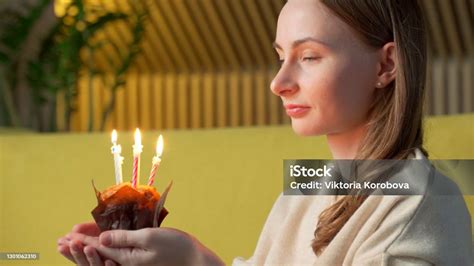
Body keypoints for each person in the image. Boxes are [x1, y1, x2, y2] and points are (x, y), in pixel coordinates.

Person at [57, 0, 472, 265]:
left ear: (386, 66)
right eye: (280, 56)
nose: (278, 82)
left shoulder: (418, 208)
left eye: (309, 56)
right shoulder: (312, 183)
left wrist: (195, 262)